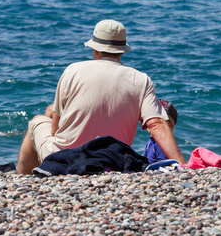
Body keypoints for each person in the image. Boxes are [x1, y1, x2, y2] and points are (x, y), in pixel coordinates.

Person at [17, 19, 187, 174]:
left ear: (95, 49)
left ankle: (24, 178)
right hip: (114, 160)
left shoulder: (73, 70)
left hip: (66, 159)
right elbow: (156, 124)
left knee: (37, 122)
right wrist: (182, 164)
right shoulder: (141, 79)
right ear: (122, 51)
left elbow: (55, 128)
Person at [143, 99, 178, 164]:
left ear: (170, 127)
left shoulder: (162, 144)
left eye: (156, 122)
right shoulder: (150, 142)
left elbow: (163, 166)